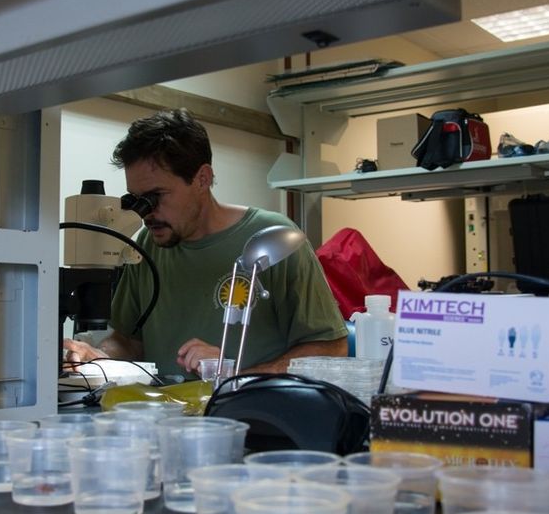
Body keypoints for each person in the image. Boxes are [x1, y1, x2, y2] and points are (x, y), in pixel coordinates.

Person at [63, 109, 347, 379]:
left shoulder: (274, 239)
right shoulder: (146, 245)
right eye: (136, 199)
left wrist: (232, 376)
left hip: (250, 415)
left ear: (202, 178)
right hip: (170, 418)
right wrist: (98, 356)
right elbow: (129, 341)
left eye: (156, 195)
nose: (145, 212)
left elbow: (331, 350)